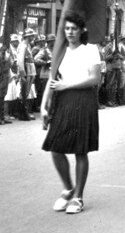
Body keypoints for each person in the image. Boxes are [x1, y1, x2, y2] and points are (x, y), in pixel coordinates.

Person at [41, 11, 101, 214]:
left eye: (74, 29)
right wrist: (43, 105)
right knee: (56, 147)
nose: (70, 32)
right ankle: (68, 188)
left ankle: (78, 197)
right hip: (63, 101)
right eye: (66, 28)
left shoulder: (90, 49)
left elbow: (95, 78)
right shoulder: (60, 50)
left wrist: (67, 85)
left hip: (84, 100)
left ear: (81, 30)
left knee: (80, 150)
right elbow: (52, 79)